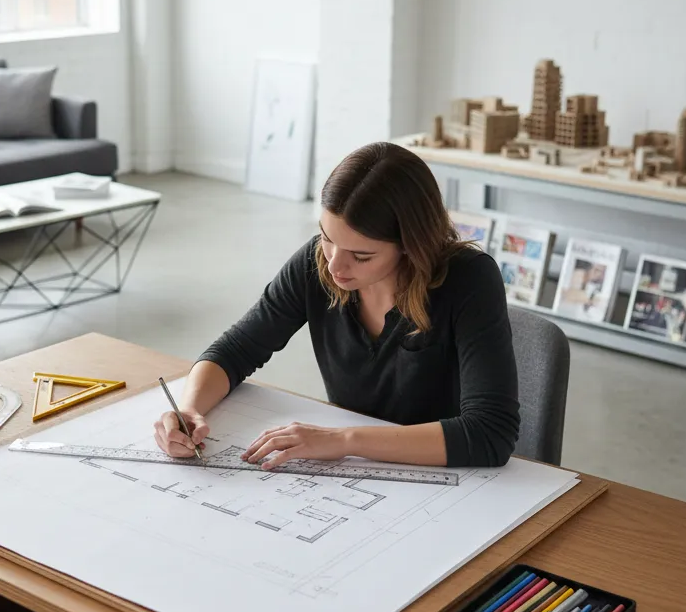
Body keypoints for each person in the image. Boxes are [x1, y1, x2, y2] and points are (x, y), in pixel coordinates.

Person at [153, 142, 520, 469]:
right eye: (328, 239)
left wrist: (343, 441)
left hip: (449, 479)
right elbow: (236, 349)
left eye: (361, 255)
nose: (334, 266)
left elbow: (490, 434)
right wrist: (190, 408)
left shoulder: (469, 279)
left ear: (411, 245)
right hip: (355, 473)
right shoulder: (317, 262)